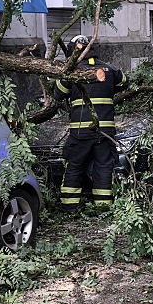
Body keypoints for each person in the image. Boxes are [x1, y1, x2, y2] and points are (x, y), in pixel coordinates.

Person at [53, 35, 129, 211]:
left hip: (81, 131)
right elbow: (125, 82)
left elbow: (58, 93)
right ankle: (102, 208)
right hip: (105, 132)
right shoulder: (109, 69)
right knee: (104, 167)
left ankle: (69, 207)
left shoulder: (71, 72)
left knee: (74, 166)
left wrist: (65, 74)